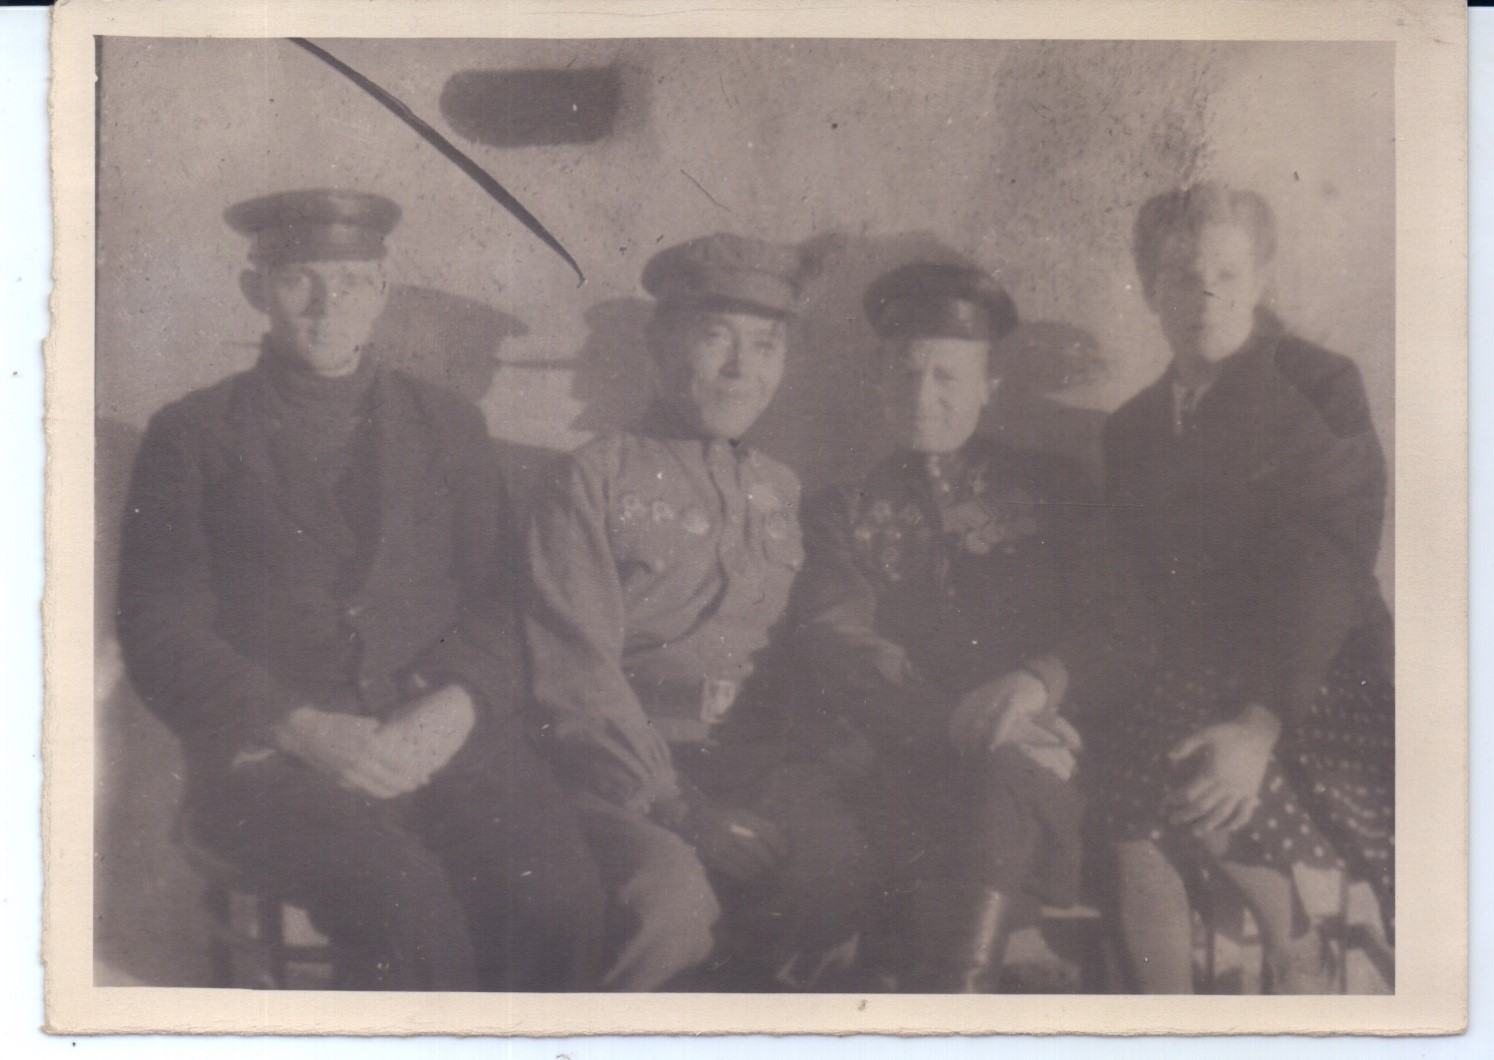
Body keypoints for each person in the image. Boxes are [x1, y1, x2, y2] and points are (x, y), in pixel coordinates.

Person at [116, 188, 604, 991]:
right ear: (255, 291)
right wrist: (299, 726)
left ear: (381, 292)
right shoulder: (193, 433)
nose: (326, 305)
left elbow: (503, 597)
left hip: (440, 737)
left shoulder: (448, 423)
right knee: (407, 914)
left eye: (349, 283)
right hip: (274, 762)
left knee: (560, 903)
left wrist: (456, 707)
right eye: (299, 281)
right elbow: (160, 629)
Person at [524, 233, 875, 991]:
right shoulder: (589, 479)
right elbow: (577, 671)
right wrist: (678, 807)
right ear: (660, 345)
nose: (743, 369)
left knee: (835, 872)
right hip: (624, 777)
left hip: (754, 764)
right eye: (717, 337)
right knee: (670, 905)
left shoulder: (781, 489)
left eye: (766, 345)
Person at [1096, 183, 1395, 993]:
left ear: (1261, 280)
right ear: (1149, 289)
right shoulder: (1130, 429)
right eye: (1181, 276)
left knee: (1178, 756)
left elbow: (1325, 563)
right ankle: (1168, 1026)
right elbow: (1132, 592)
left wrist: (1258, 724)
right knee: (1131, 793)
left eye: (1228, 274)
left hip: (1314, 676)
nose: (1207, 296)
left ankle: (1300, 965)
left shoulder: (1318, 384)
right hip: (1191, 681)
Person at [790, 261, 1102, 992]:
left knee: (1002, 781)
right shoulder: (843, 509)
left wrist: (1039, 682)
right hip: (912, 769)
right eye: (904, 375)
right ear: (878, 382)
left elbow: (1116, 625)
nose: (922, 397)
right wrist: (957, 720)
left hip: (1050, 770)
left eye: (948, 378)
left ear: (990, 386)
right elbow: (839, 642)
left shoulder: (1056, 489)